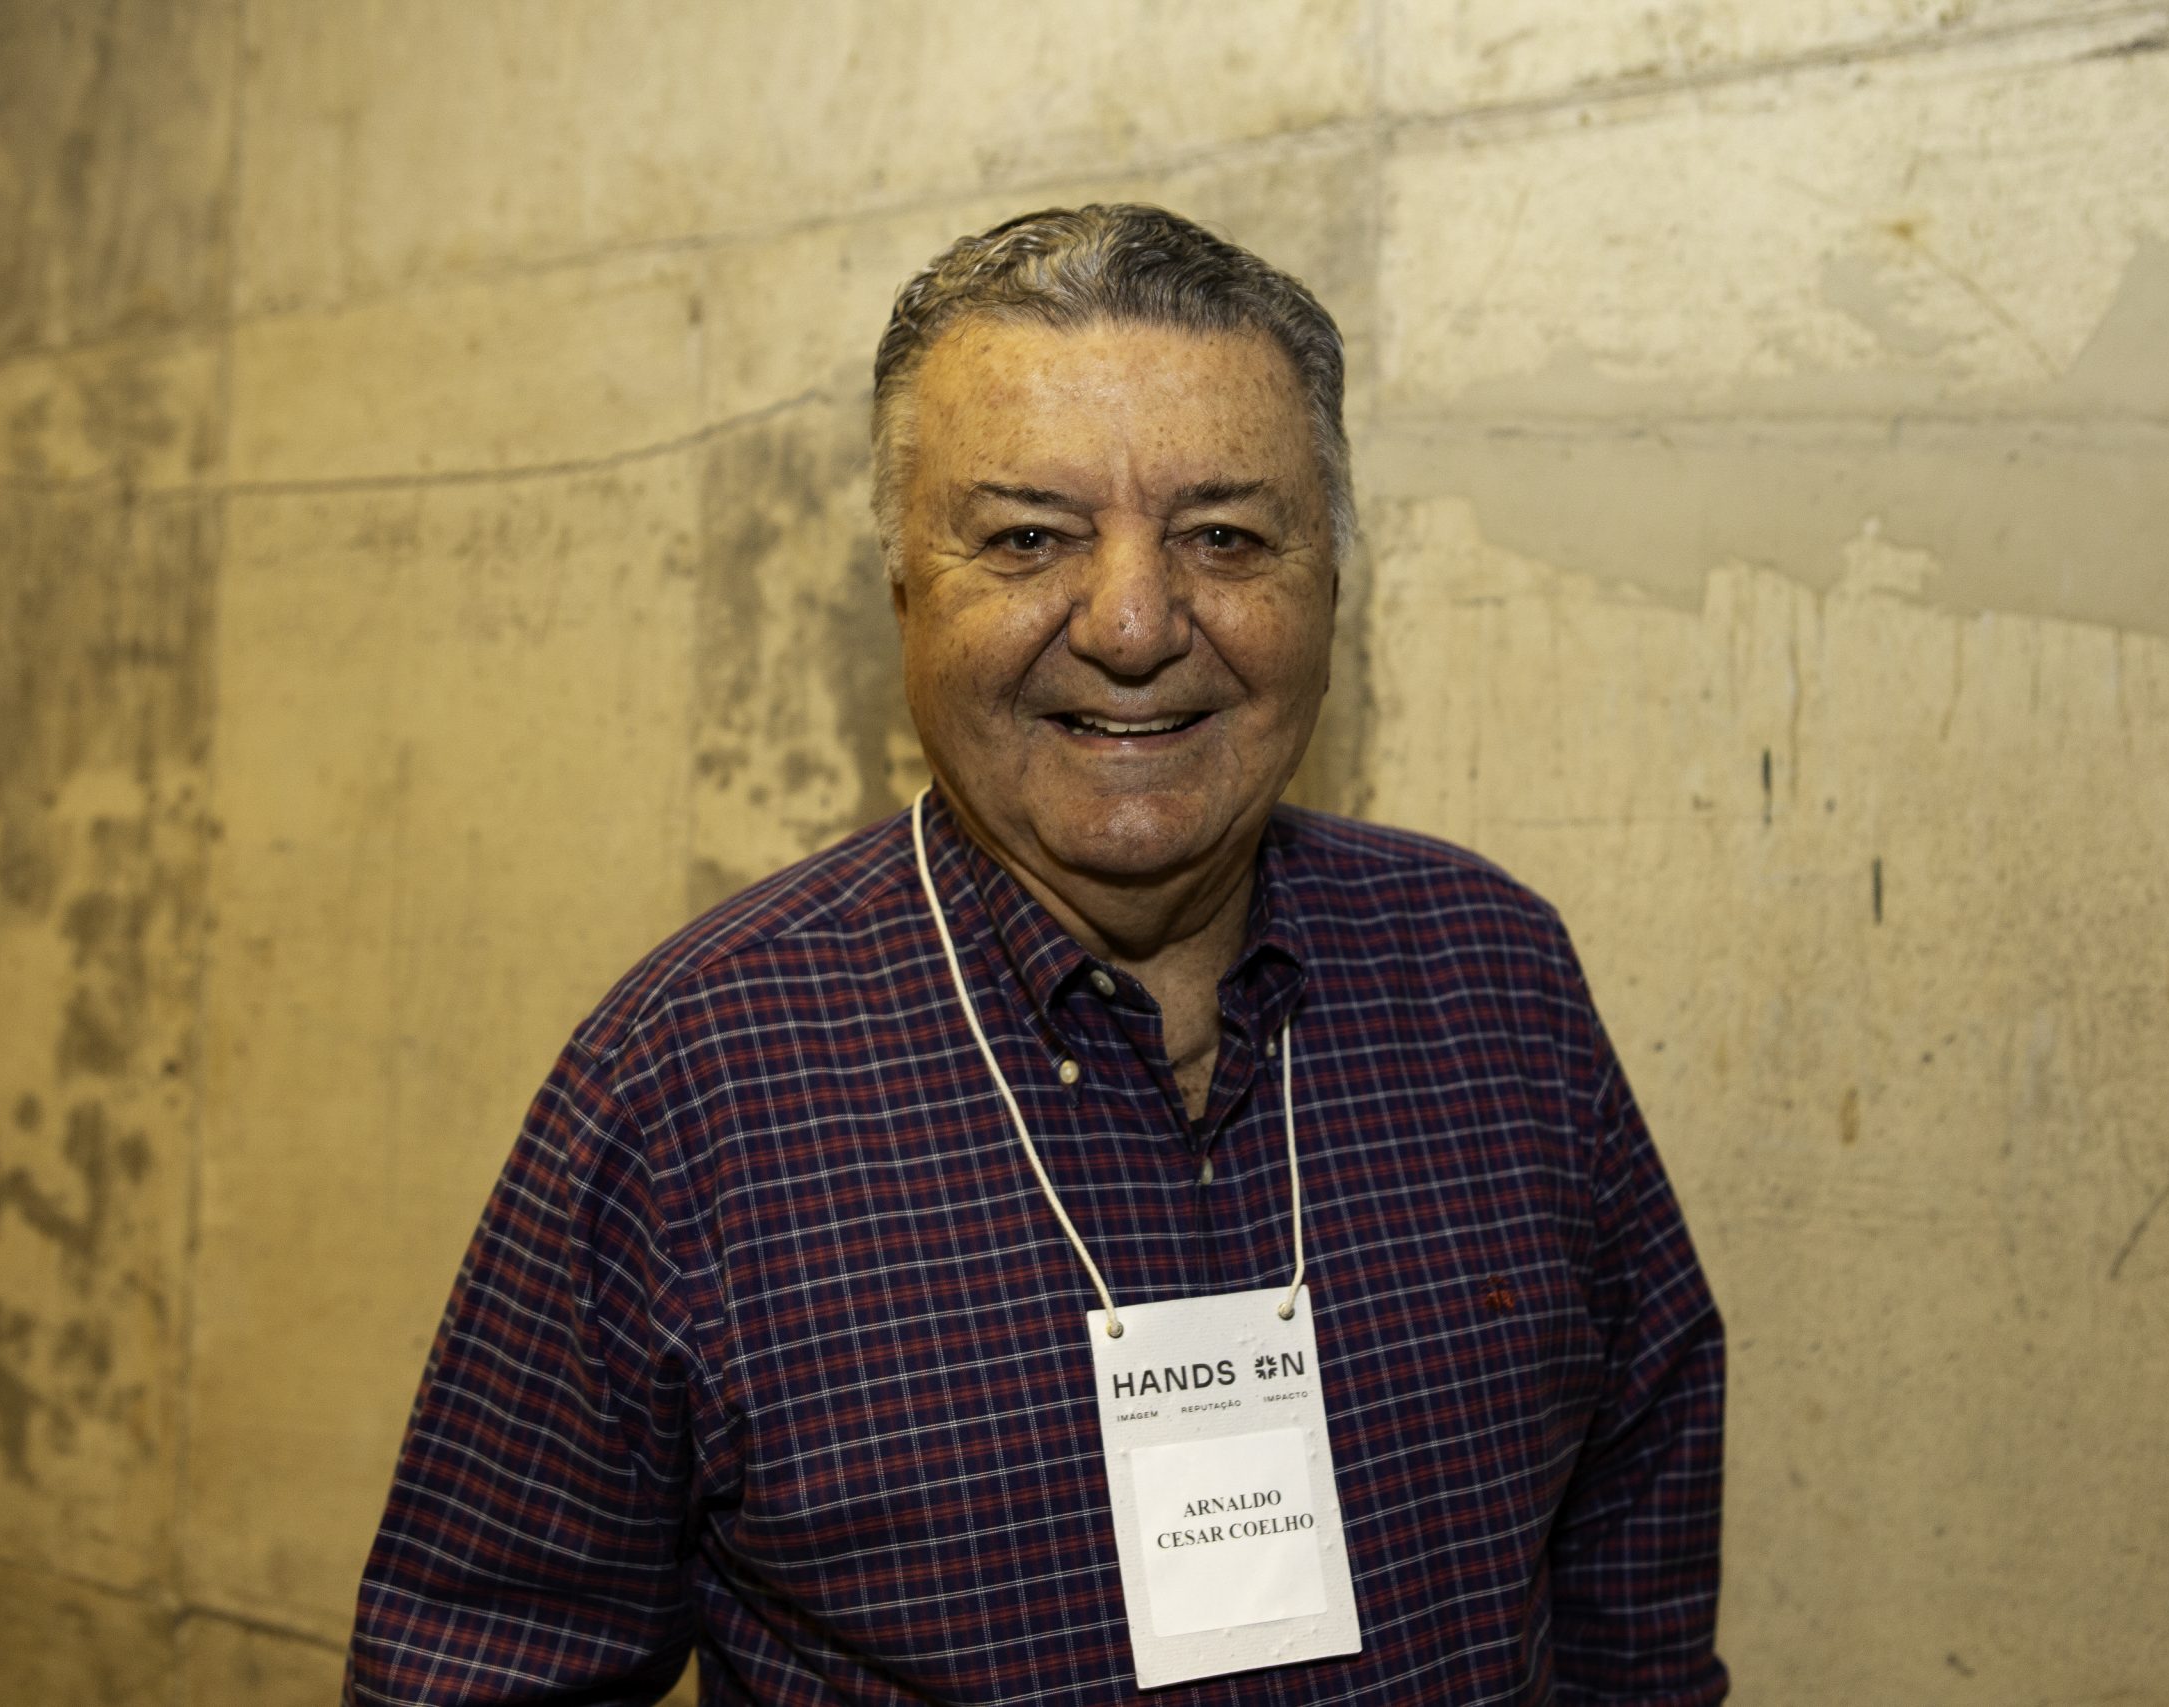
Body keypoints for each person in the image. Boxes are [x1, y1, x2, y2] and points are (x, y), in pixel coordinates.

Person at [347, 204, 1727, 1705]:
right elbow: (475, 1671)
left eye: (1223, 536)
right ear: (903, 591)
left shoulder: (1497, 980)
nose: (1133, 624)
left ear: (1331, 581)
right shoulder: (692, 1085)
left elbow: (1635, 1599)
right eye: (1026, 538)